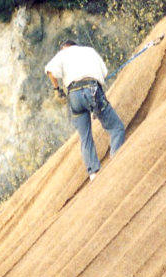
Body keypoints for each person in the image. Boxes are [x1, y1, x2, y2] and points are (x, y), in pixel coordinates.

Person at [45, 39, 126, 180]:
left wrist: (57, 90)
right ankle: (116, 159)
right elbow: (104, 73)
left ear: (63, 48)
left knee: (85, 137)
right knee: (116, 128)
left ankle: (93, 173)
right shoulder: (89, 50)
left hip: (74, 96)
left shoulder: (62, 55)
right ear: (76, 45)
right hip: (92, 91)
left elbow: (50, 71)